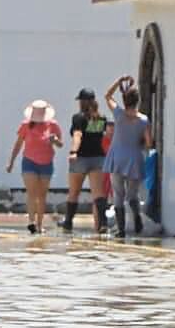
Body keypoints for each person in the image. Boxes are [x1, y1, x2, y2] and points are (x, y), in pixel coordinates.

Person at [102, 76, 153, 238]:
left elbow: (107, 96)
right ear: (138, 101)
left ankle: (121, 229)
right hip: (134, 158)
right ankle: (137, 218)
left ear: (124, 100)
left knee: (118, 194)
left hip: (117, 157)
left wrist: (119, 81)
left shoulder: (118, 114)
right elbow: (149, 142)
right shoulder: (144, 120)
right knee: (132, 194)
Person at [6, 99, 62, 234]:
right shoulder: (25, 125)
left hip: (46, 162)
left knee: (42, 194)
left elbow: (60, 144)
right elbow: (18, 144)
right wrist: (11, 161)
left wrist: (55, 140)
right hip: (29, 161)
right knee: (32, 192)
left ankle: (39, 224)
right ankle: (31, 221)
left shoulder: (53, 125)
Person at [62, 87, 110, 234]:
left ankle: (68, 223)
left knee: (74, 192)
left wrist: (73, 152)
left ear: (82, 102)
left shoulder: (78, 118)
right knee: (98, 194)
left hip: (81, 158)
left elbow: (78, 135)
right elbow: (99, 137)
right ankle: (102, 223)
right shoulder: (101, 118)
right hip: (98, 158)